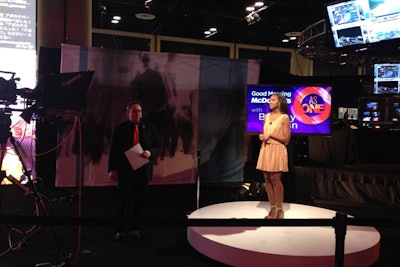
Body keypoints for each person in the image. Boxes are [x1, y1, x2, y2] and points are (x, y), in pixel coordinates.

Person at [108, 101, 160, 240]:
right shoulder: (120, 129)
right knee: (122, 201)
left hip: (142, 171)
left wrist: (150, 152)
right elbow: (113, 150)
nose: (138, 114)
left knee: (140, 201)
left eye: (139, 111)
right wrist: (111, 169)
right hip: (125, 170)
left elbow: (157, 147)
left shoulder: (150, 127)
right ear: (128, 113)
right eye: (134, 111)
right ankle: (119, 230)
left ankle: (135, 228)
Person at [256, 93, 291, 219]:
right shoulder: (266, 116)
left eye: (273, 100)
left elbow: (286, 139)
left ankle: (280, 210)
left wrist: (270, 135)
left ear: (280, 102)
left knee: (276, 179)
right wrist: (263, 136)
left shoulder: (284, 118)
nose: (270, 102)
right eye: (269, 100)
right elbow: (266, 132)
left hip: (277, 150)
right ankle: (272, 208)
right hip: (266, 149)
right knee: (267, 179)